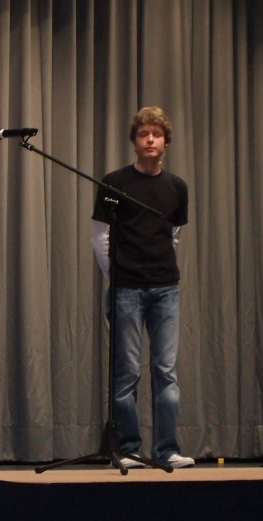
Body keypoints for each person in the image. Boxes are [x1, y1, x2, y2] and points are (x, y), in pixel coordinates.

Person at [91, 106, 193, 469]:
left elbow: (173, 235)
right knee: (127, 372)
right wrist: (116, 275)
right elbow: (100, 236)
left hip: (165, 289)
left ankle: (166, 450)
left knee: (166, 371)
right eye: (143, 134)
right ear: (134, 141)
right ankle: (130, 449)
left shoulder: (177, 187)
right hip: (126, 290)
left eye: (156, 134)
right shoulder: (115, 182)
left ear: (166, 142)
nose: (150, 140)